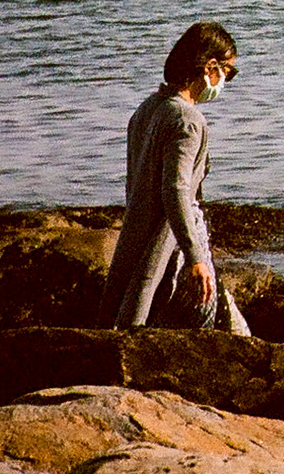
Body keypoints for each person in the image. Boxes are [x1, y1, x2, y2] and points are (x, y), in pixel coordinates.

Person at [98, 20, 249, 330]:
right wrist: (195, 257)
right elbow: (176, 191)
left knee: (148, 316)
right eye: (228, 73)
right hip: (176, 243)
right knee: (206, 320)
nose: (226, 82)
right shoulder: (187, 121)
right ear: (210, 66)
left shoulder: (147, 109)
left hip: (139, 237)